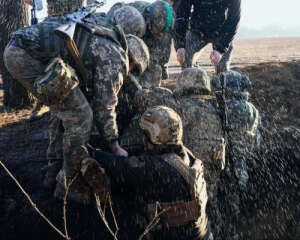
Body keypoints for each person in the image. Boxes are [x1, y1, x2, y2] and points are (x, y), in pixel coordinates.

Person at [3, 5, 150, 203]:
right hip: (26, 56)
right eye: (133, 69)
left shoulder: (101, 30)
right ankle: (71, 186)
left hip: (19, 47)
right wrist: (114, 145)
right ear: (133, 60)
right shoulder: (117, 58)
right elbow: (104, 106)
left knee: (64, 107)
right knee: (81, 115)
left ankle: (52, 171)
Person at [119, 68, 261, 239]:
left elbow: (142, 98)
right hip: (208, 191)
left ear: (183, 85)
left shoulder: (179, 108)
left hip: (181, 193)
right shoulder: (217, 112)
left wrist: (128, 78)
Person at [94, 106, 214, 240]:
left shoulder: (158, 169)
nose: (142, 139)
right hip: (202, 234)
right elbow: (141, 156)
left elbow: (120, 167)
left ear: (154, 137)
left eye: (145, 135)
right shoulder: (185, 156)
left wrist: (92, 152)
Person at [107, 0, 175, 88]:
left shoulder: (164, 31)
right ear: (148, 21)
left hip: (145, 42)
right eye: (158, 32)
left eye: (163, 32)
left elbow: (155, 63)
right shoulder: (133, 20)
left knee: (152, 74)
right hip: (120, 34)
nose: (161, 35)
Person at [174, 0, 241, 74]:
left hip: (221, 32)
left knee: (222, 70)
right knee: (185, 58)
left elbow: (233, 20)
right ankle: (195, 79)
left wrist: (220, 49)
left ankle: (220, 81)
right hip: (197, 30)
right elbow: (182, 14)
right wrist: (180, 45)